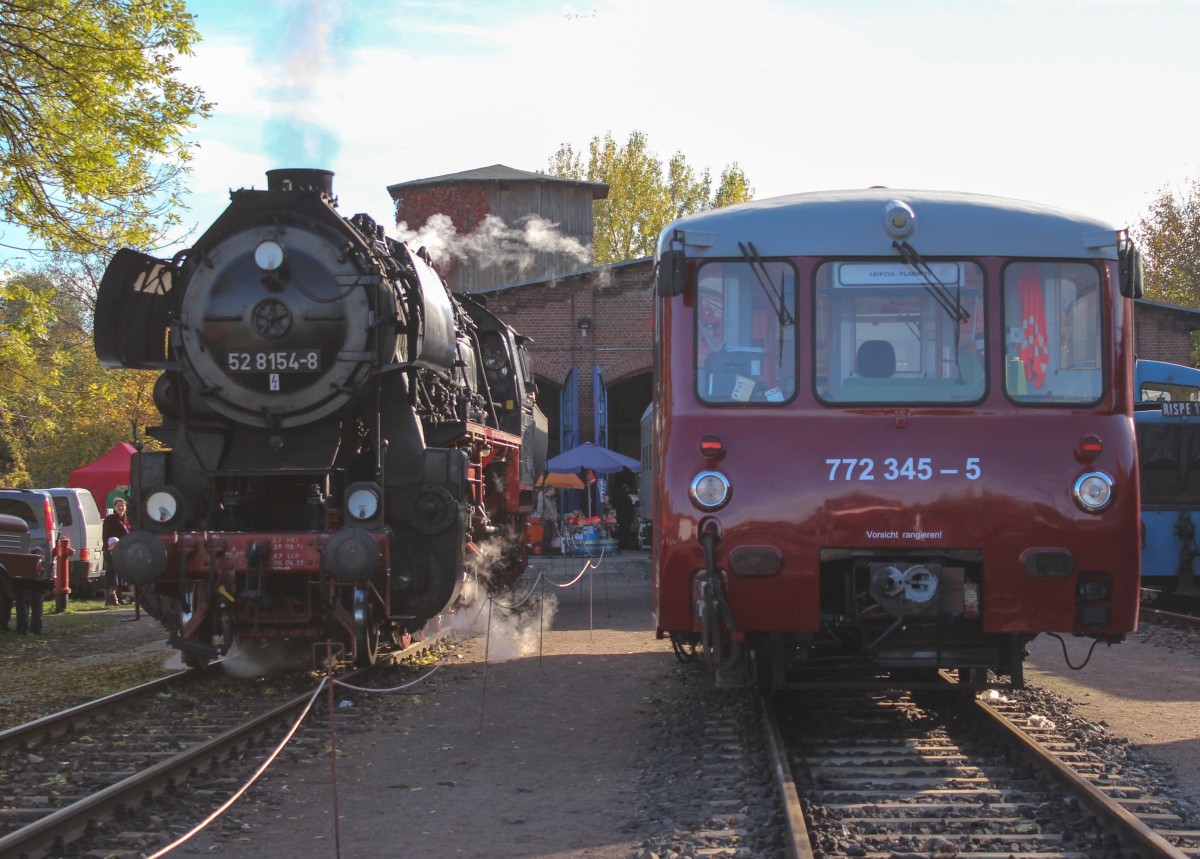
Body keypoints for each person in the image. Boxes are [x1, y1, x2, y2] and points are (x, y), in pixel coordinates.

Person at [102, 498, 131, 606]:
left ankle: (120, 596)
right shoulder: (110, 519)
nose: (121, 508)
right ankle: (111, 597)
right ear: (115, 507)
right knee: (112, 573)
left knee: (121, 574)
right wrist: (109, 546)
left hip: (124, 550)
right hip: (112, 550)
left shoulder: (127, 520)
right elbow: (106, 534)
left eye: (123, 506)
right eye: (119, 506)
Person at [534, 487, 559, 557]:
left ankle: (548, 552)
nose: (554, 492)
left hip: (552, 520)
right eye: (553, 490)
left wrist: (555, 518)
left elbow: (553, 510)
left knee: (551, 536)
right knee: (546, 536)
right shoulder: (543, 499)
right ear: (549, 490)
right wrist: (546, 517)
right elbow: (539, 510)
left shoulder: (552, 499)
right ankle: (544, 553)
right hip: (547, 520)